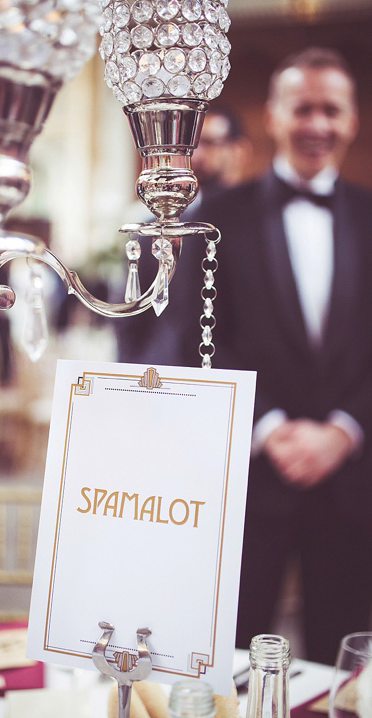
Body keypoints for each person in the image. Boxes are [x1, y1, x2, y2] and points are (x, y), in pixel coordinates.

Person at [138, 47, 372, 664]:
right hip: (246, 477)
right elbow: (196, 344)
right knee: (230, 653)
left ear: (352, 119)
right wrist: (270, 429)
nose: (317, 125)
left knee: (342, 656)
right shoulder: (215, 217)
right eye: (303, 108)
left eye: (332, 110)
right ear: (273, 116)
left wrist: (344, 432)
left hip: (354, 479)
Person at [116, 104, 250, 365]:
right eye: (192, 147)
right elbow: (131, 320)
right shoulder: (152, 228)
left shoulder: (258, 226)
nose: (197, 157)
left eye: (210, 143)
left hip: (237, 381)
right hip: (166, 373)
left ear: (239, 151)